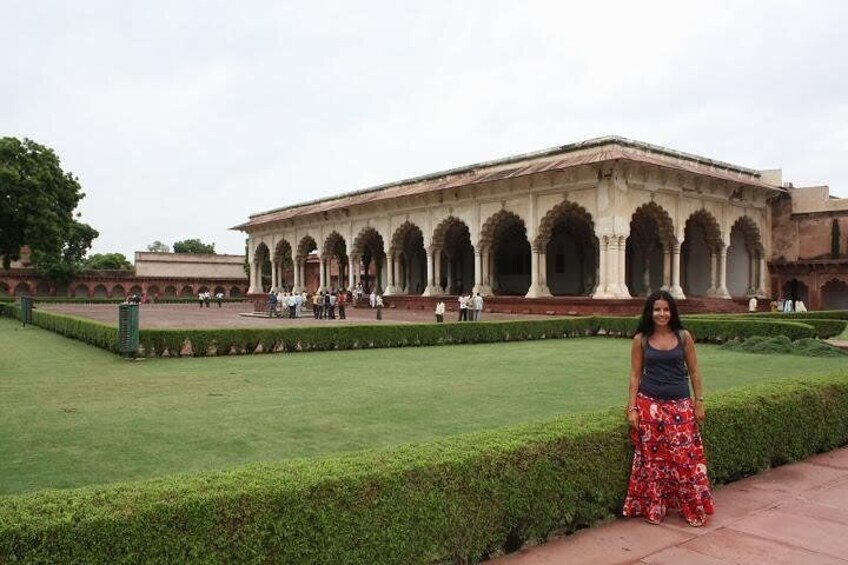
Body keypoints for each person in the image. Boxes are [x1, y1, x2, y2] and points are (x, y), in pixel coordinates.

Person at [623, 290, 713, 527]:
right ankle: (655, 507)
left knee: (684, 460)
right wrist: (632, 407)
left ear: (672, 311)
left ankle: (691, 507)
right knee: (653, 462)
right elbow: (635, 375)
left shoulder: (683, 337)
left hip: (680, 405)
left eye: (665, 309)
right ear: (650, 313)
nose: (661, 314)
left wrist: (699, 401)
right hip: (649, 405)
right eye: (657, 309)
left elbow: (694, 371)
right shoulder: (641, 339)